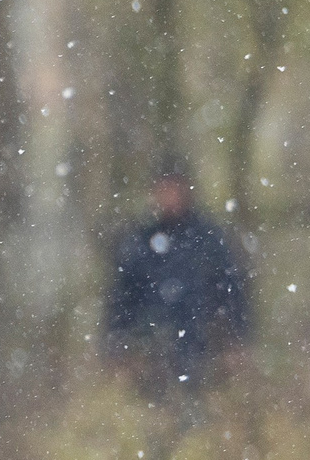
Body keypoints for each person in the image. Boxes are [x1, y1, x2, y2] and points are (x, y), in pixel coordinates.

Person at [104, 165, 252, 401]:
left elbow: (233, 291)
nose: (169, 196)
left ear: (186, 190)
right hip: (151, 355)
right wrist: (118, 345)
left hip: (203, 352)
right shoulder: (140, 241)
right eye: (163, 189)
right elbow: (122, 297)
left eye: (174, 188)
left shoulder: (210, 239)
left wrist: (236, 342)